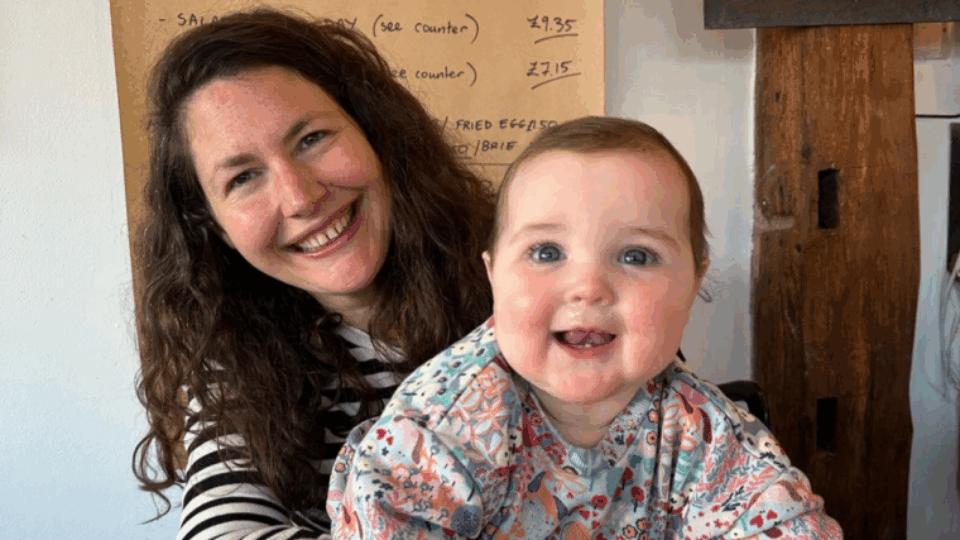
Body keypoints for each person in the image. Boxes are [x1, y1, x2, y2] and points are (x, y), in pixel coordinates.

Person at [327, 117, 842, 538]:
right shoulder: (443, 422)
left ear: (693, 282)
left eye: (636, 255)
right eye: (546, 252)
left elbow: (784, 524)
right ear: (493, 274)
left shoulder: (707, 434)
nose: (589, 287)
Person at [131, 8, 496, 539]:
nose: (301, 197)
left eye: (312, 139)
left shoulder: (529, 275)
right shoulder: (236, 359)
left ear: (375, 132)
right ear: (216, 228)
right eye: (244, 177)